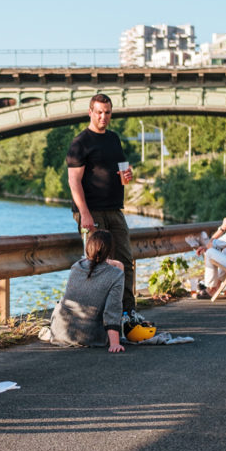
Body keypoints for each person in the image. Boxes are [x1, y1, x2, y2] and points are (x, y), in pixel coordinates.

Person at [66, 93, 149, 331]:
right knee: (99, 265)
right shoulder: (80, 142)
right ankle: (95, 319)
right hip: (92, 211)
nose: (104, 116)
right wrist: (85, 214)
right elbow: (74, 181)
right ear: (90, 112)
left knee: (125, 261)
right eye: (99, 112)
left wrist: (127, 176)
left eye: (107, 112)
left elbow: (122, 176)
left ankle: (127, 314)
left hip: (114, 209)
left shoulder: (113, 139)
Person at [40, 230, 126, 352]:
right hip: (89, 336)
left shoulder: (76, 266)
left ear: (88, 248)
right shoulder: (115, 274)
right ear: (110, 250)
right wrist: (115, 344)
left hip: (59, 332)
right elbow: (112, 309)